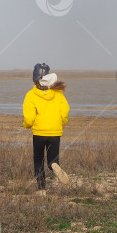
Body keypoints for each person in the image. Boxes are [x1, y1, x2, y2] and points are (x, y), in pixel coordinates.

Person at [23, 63, 70, 192]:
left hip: (39, 133)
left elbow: (29, 118)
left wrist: (27, 125)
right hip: (55, 132)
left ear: (34, 78)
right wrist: (62, 122)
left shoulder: (31, 95)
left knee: (38, 160)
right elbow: (65, 110)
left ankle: (41, 189)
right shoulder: (58, 93)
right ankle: (55, 166)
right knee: (52, 160)